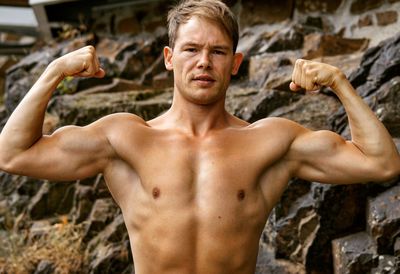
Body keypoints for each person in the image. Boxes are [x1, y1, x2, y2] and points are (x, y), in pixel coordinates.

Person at [0, 0, 399, 273]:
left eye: (219, 51)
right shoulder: (124, 138)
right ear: (170, 58)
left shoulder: (271, 142)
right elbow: (13, 154)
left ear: (235, 63)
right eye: (191, 49)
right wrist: (53, 72)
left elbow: (380, 163)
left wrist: (340, 84)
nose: (204, 62)